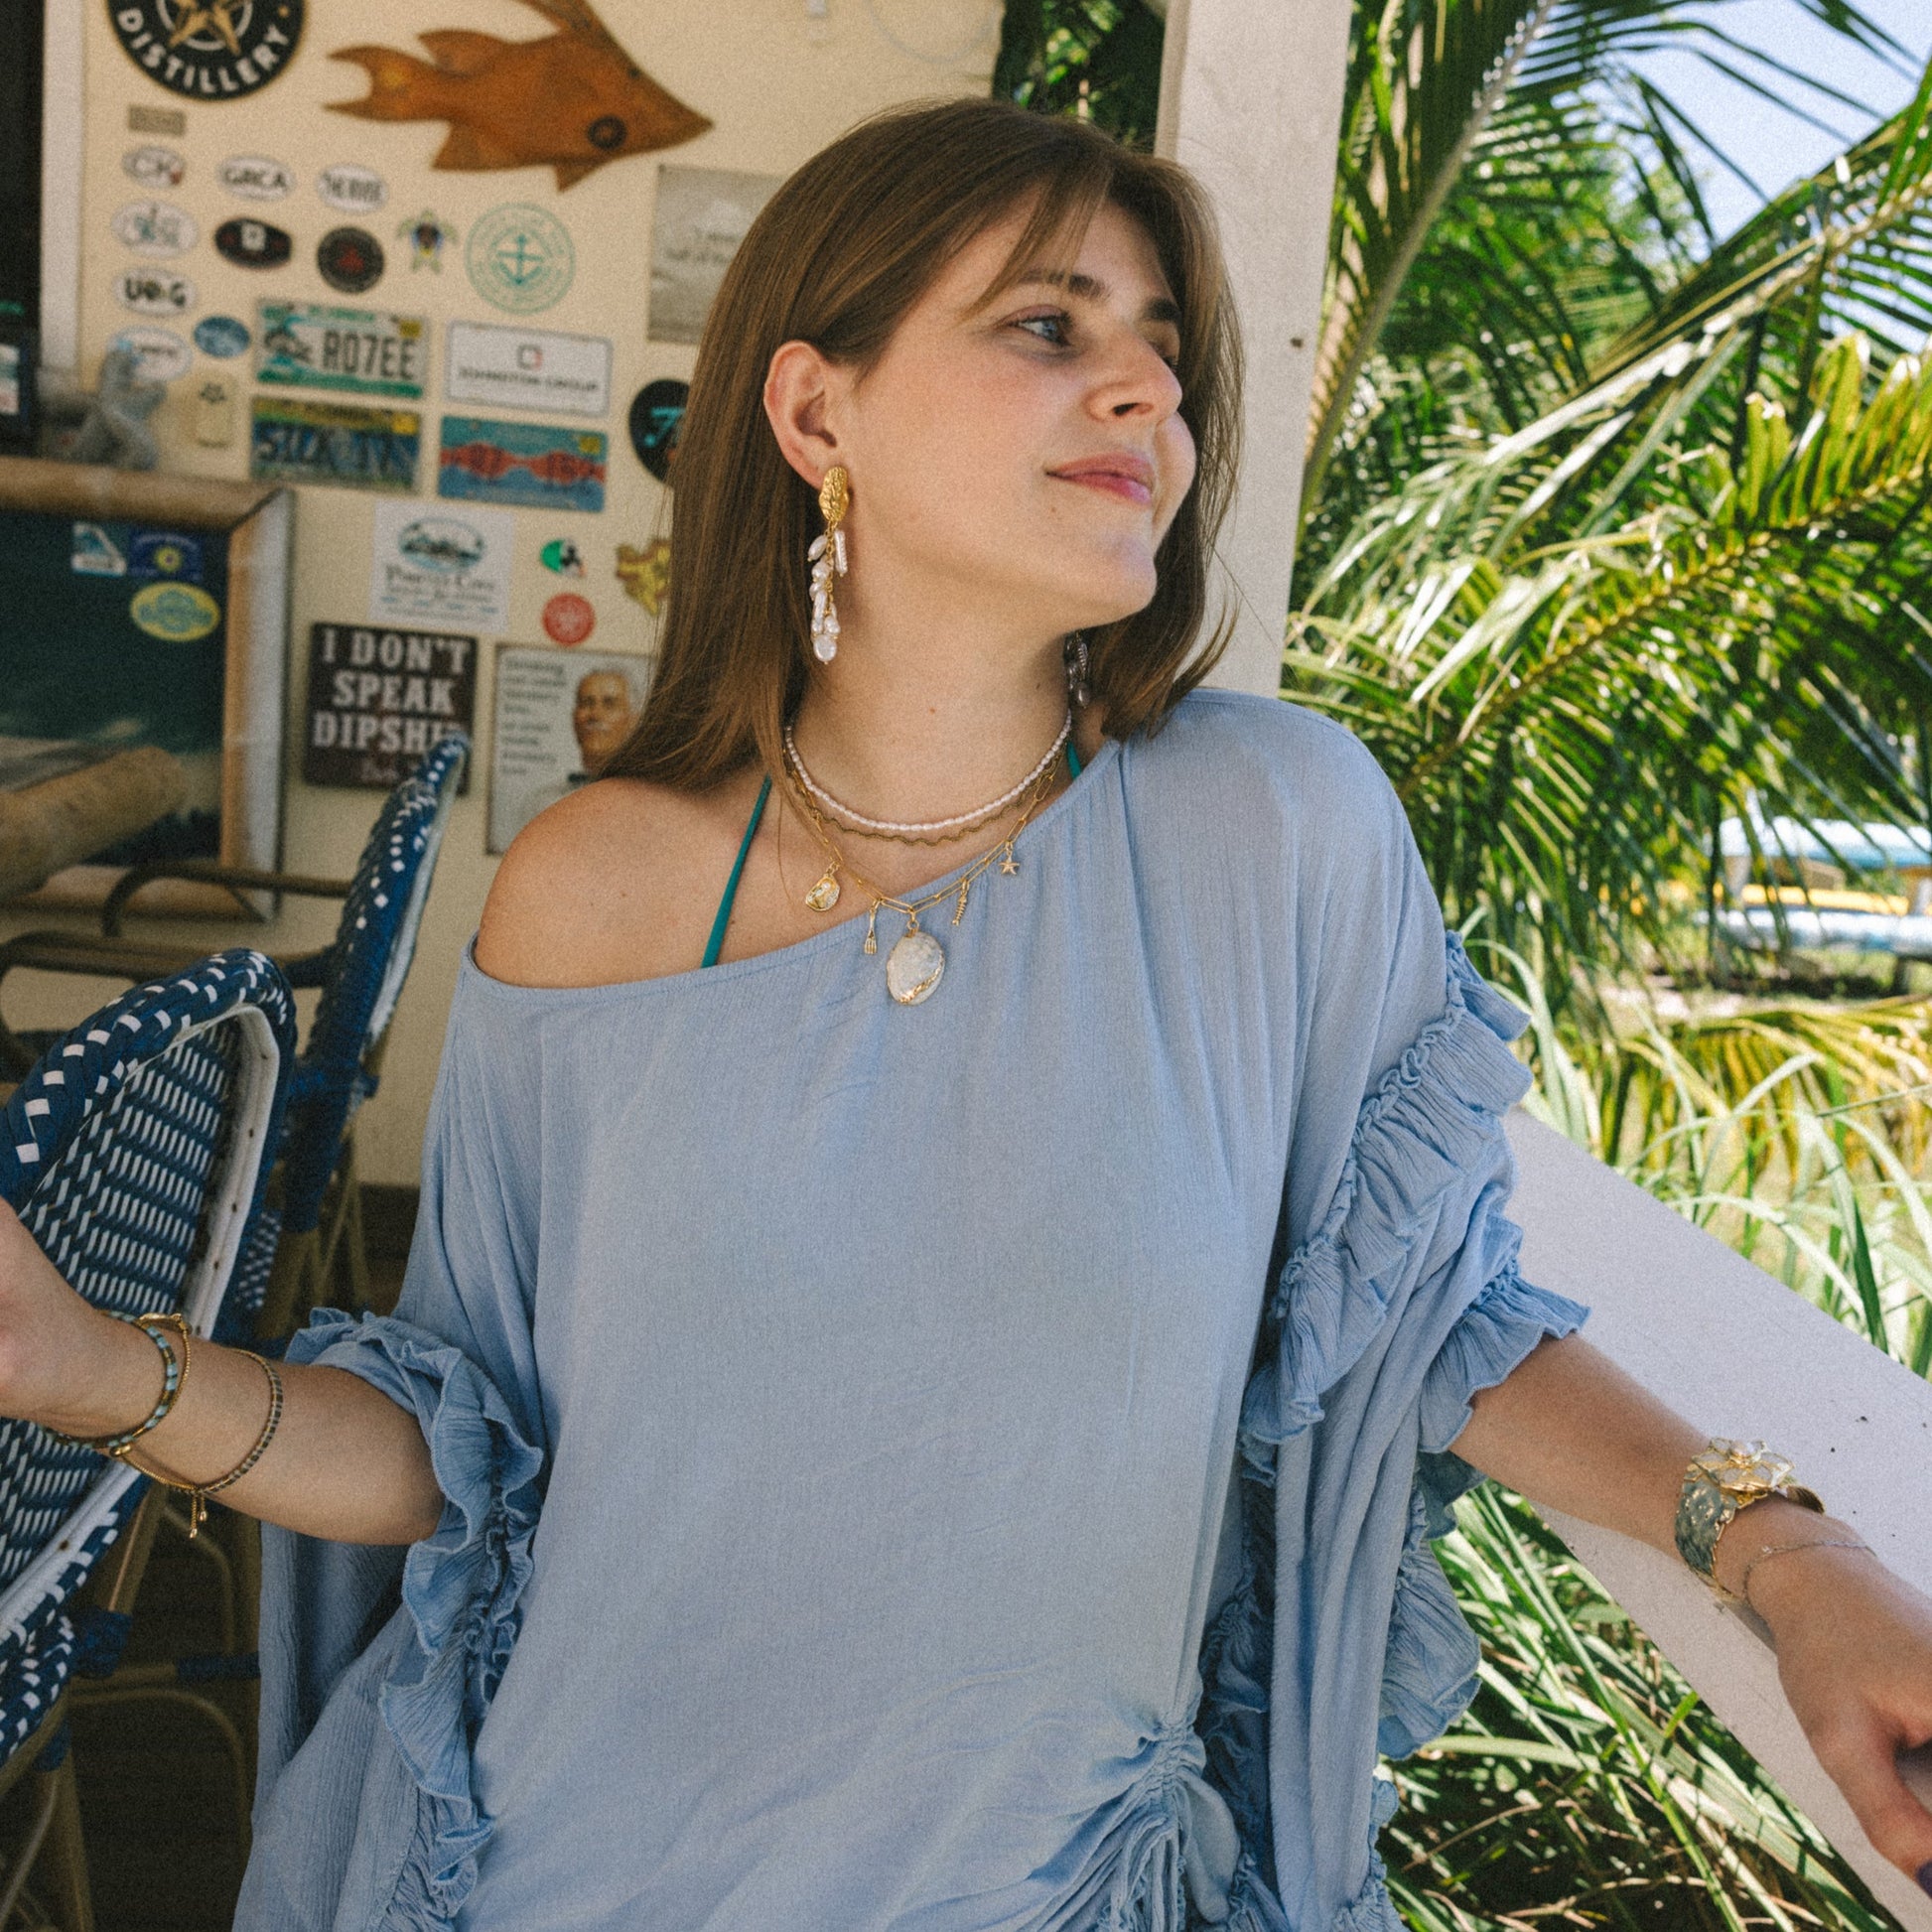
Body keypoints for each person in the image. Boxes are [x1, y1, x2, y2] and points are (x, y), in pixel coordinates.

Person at [0, 97, 1926, 1932]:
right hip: (574, 1859)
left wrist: (1786, 1551)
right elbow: (463, 1443)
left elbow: (1427, 1316)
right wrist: (96, 1369)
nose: (1146, 390)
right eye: (1044, 323)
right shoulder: (593, 886)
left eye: (1163, 348)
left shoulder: (1277, 831)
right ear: (811, 405)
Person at [565, 665, 641, 785]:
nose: (595, 715)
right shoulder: (543, 800)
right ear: (574, 717)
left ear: (633, 719)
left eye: (609, 704)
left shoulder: (647, 797)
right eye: (586, 703)